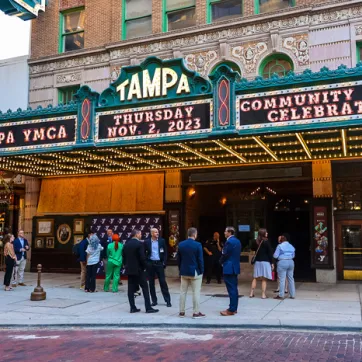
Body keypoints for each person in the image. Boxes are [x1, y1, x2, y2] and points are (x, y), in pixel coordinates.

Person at [122, 229, 158, 314]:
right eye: (140, 234)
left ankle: (132, 307)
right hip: (139, 270)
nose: (141, 235)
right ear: (137, 234)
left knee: (130, 289)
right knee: (145, 288)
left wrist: (126, 266)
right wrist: (146, 266)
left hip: (130, 270)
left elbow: (123, 256)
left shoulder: (126, 244)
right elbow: (142, 258)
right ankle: (148, 307)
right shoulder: (139, 244)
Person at [178, 227, 205, 319]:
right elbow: (200, 260)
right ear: (194, 234)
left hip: (184, 271)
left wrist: (180, 269)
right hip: (195, 271)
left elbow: (179, 259)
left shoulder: (181, 244)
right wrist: (202, 271)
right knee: (196, 292)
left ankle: (181, 312)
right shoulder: (198, 245)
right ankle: (196, 312)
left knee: (183, 292)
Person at [144, 228, 171, 307]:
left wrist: (164, 262)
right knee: (151, 283)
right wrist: (146, 263)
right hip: (151, 264)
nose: (157, 233)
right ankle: (154, 301)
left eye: (157, 232)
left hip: (159, 264)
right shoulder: (147, 242)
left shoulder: (162, 241)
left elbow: (165, 252)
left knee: (163, 282)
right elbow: (144, 253)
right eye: (155, 232)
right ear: (151, 233)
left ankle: (168, 300)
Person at [219, 226, 241, 316]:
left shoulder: (229, 242)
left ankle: (231, 309)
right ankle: (234, 307)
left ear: (230, 232)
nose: (224, 233)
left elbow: (225, 254)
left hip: (229, 267)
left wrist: (220, 262)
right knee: (234, 288)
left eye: (225, 231)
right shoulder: (238, 241)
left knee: (231, 289)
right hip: (234, 267)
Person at [249, 228, 274, 299]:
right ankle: (263, 295)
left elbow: (252, 249)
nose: (267, 233)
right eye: (266, 232)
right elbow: (270, 253)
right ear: (263, 233)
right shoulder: (266, 241)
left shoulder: (255, 241)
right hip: (265, 262)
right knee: (264, 279)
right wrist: (272, 263)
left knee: (255, 278)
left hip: (257, 261)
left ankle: (251, 293)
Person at [273, 233, 296, 300]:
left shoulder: (280, 246)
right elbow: (293, 255)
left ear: (282, 240)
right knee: (291, 278)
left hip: (282, 262)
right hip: (291, 262)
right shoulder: (291, 246)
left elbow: (275, 255)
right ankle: (292, 294)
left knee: (282, 279)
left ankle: (281, 295)